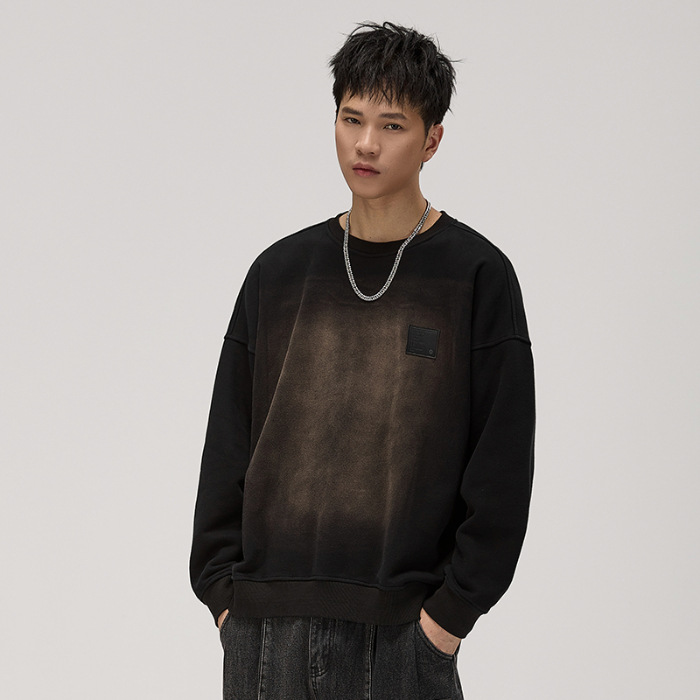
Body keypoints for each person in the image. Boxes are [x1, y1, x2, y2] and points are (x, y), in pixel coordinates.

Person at [189, 20, 536, 700]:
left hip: (402, 636)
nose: (366, 143)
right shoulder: (278, 274)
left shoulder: (475, 277)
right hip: (263, 633)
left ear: (432, 140)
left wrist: (446, 619)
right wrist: (223, 596)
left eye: (392, 125)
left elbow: (501, 463)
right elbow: (228, 443)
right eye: (351, 119)